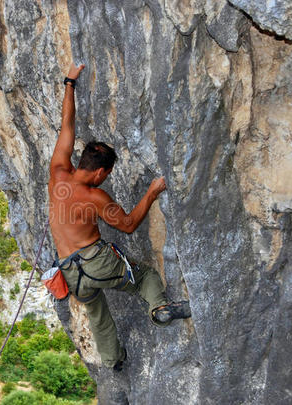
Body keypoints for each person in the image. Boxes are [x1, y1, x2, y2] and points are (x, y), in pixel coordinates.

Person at [48, 63, 191, 371]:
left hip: (70, 273)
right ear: (100, 172)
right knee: (145, 277)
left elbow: (67, 126)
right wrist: (152, 192)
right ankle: (160, 308)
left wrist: (69, 84)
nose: (105, 179)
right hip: (96, 262)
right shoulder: (95, 196)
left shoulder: (58, 172)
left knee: (96, 311)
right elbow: (127, 225)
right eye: (107, 174)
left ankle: (113, 359)